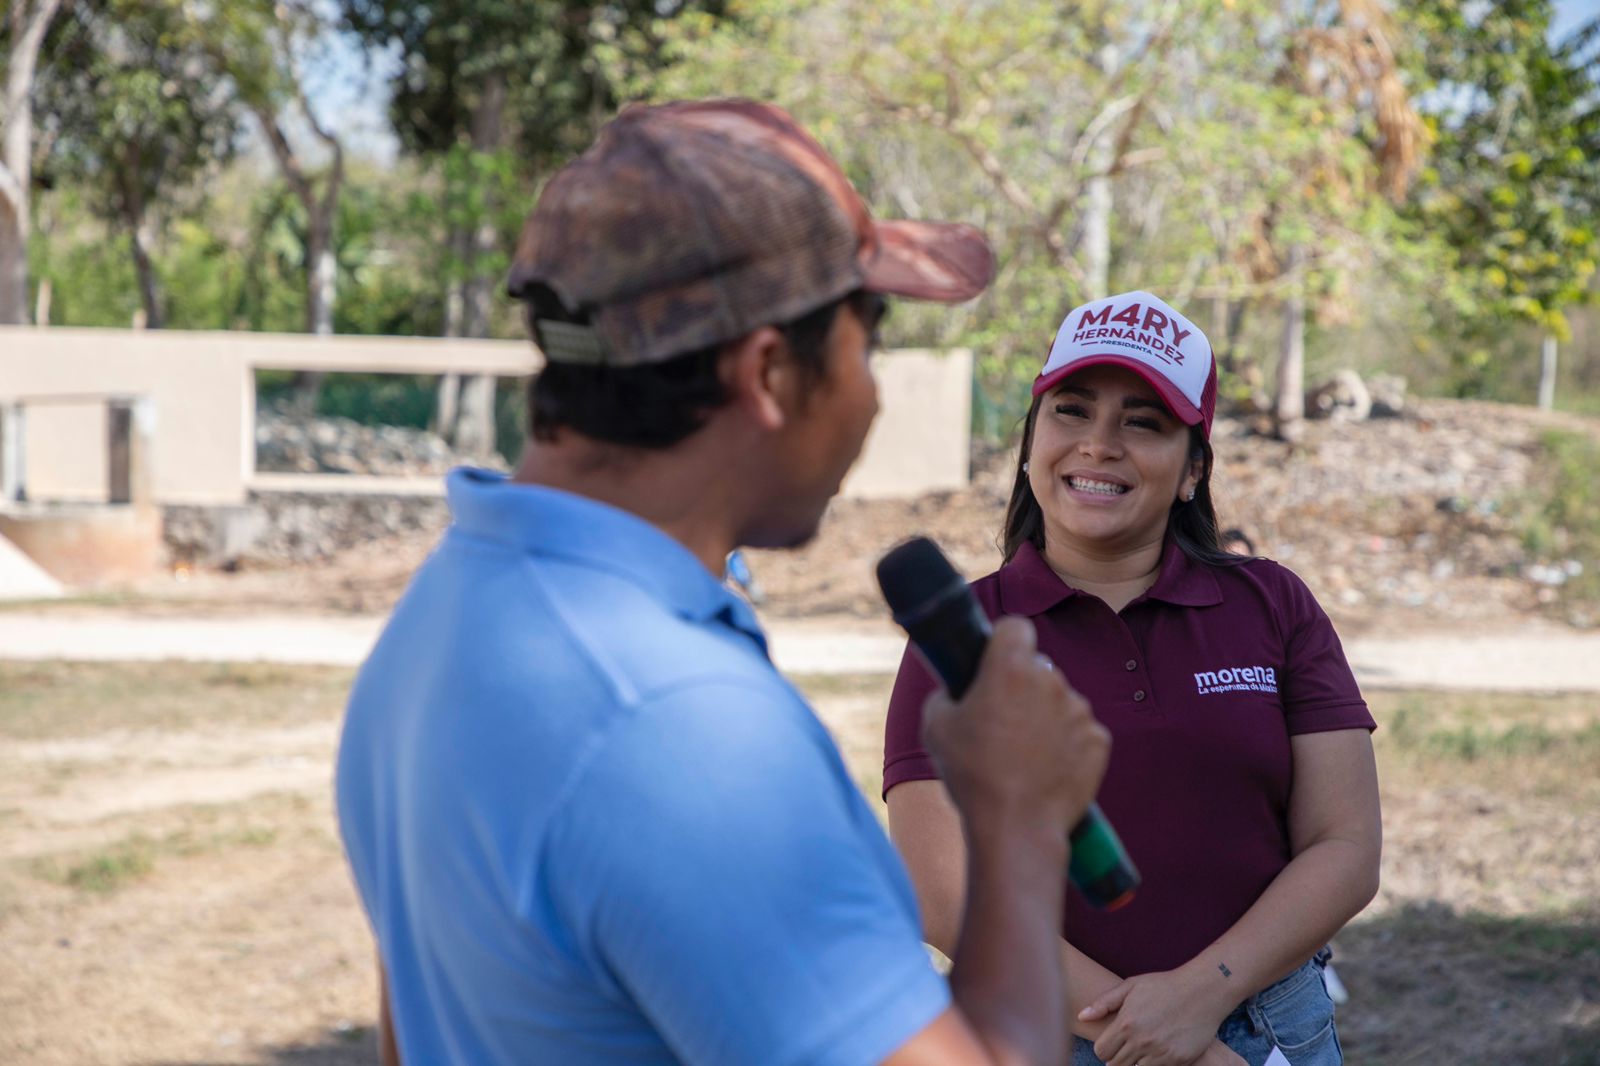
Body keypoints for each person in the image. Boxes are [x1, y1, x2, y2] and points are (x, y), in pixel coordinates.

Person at [335, 99, 1112, 1066]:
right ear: (770, 373)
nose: (872, 393)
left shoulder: (449, 605)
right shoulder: (675, 724)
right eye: (868, 342)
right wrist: (1018, 823)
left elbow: (410, 1030)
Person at [883, 291, 1381, 1066]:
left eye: (1143, 422)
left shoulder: (1272, 603)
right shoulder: (960, 636)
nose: (1098, 444)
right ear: (1029, 442)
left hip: (1272, 1030)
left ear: (1194, 469)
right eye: (1071, 411)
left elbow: (1345, 845)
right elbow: (941, 891)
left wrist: (1200, 999)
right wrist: (1143, 1035)